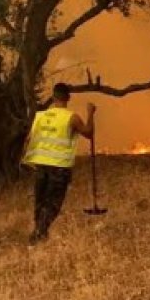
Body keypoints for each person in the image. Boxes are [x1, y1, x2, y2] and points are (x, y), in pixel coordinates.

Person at [22, 83, 96, 245]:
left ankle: (40, 233)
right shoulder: (72, 118)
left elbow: (29, 139)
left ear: (53, 97)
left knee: (40, 201)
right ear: (68, 98)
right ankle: (38, 234)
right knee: (53, 202)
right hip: (59, 166)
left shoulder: (40, 116)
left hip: (40, 165)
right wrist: (90, 113)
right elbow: (88, 133)